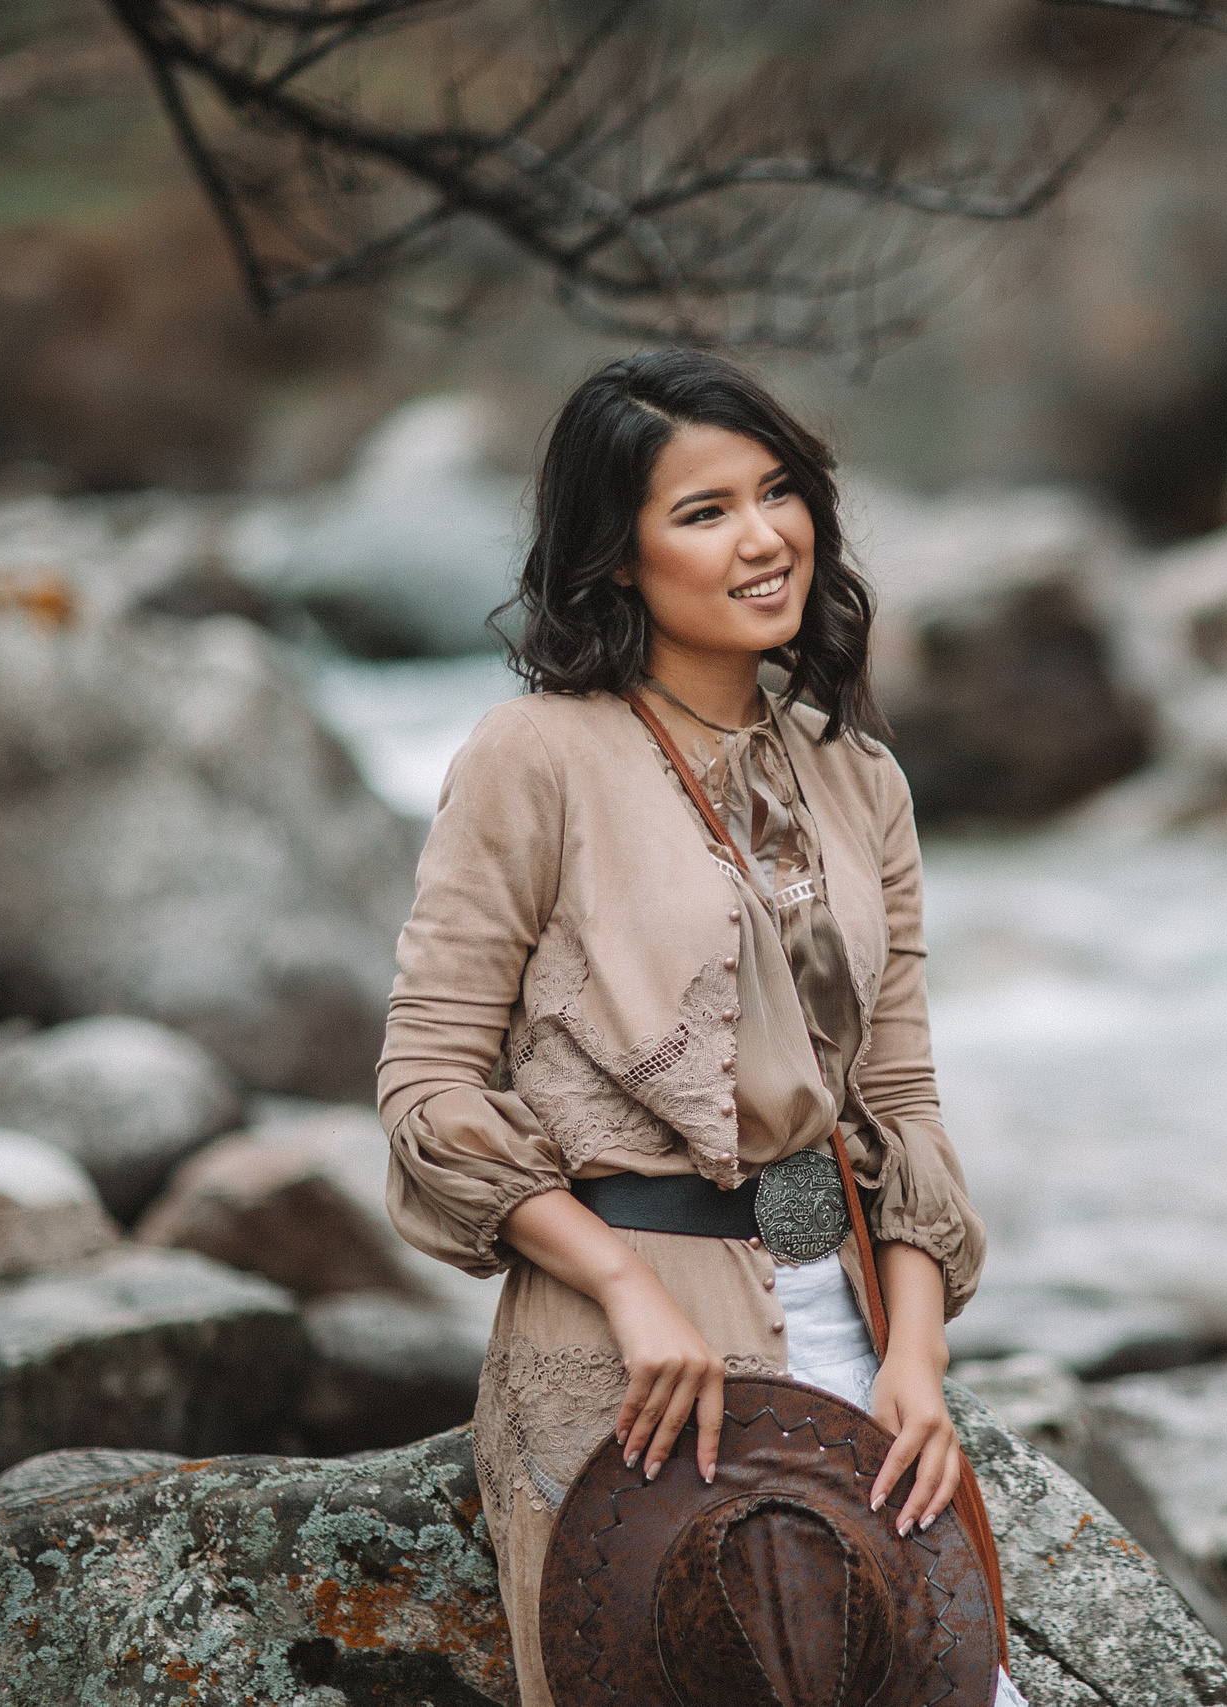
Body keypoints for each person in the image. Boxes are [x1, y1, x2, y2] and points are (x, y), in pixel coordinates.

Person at [376, 349, 991, 1707]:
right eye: (703, 512)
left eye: (777, 493)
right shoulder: (531, 757)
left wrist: (918, 1355)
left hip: (852, 1333)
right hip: (625, 1359)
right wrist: (621, 1284)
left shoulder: (858, 774)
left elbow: (901, 1100)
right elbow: (426, 1085)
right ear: (615, 559)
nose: (764, 537)